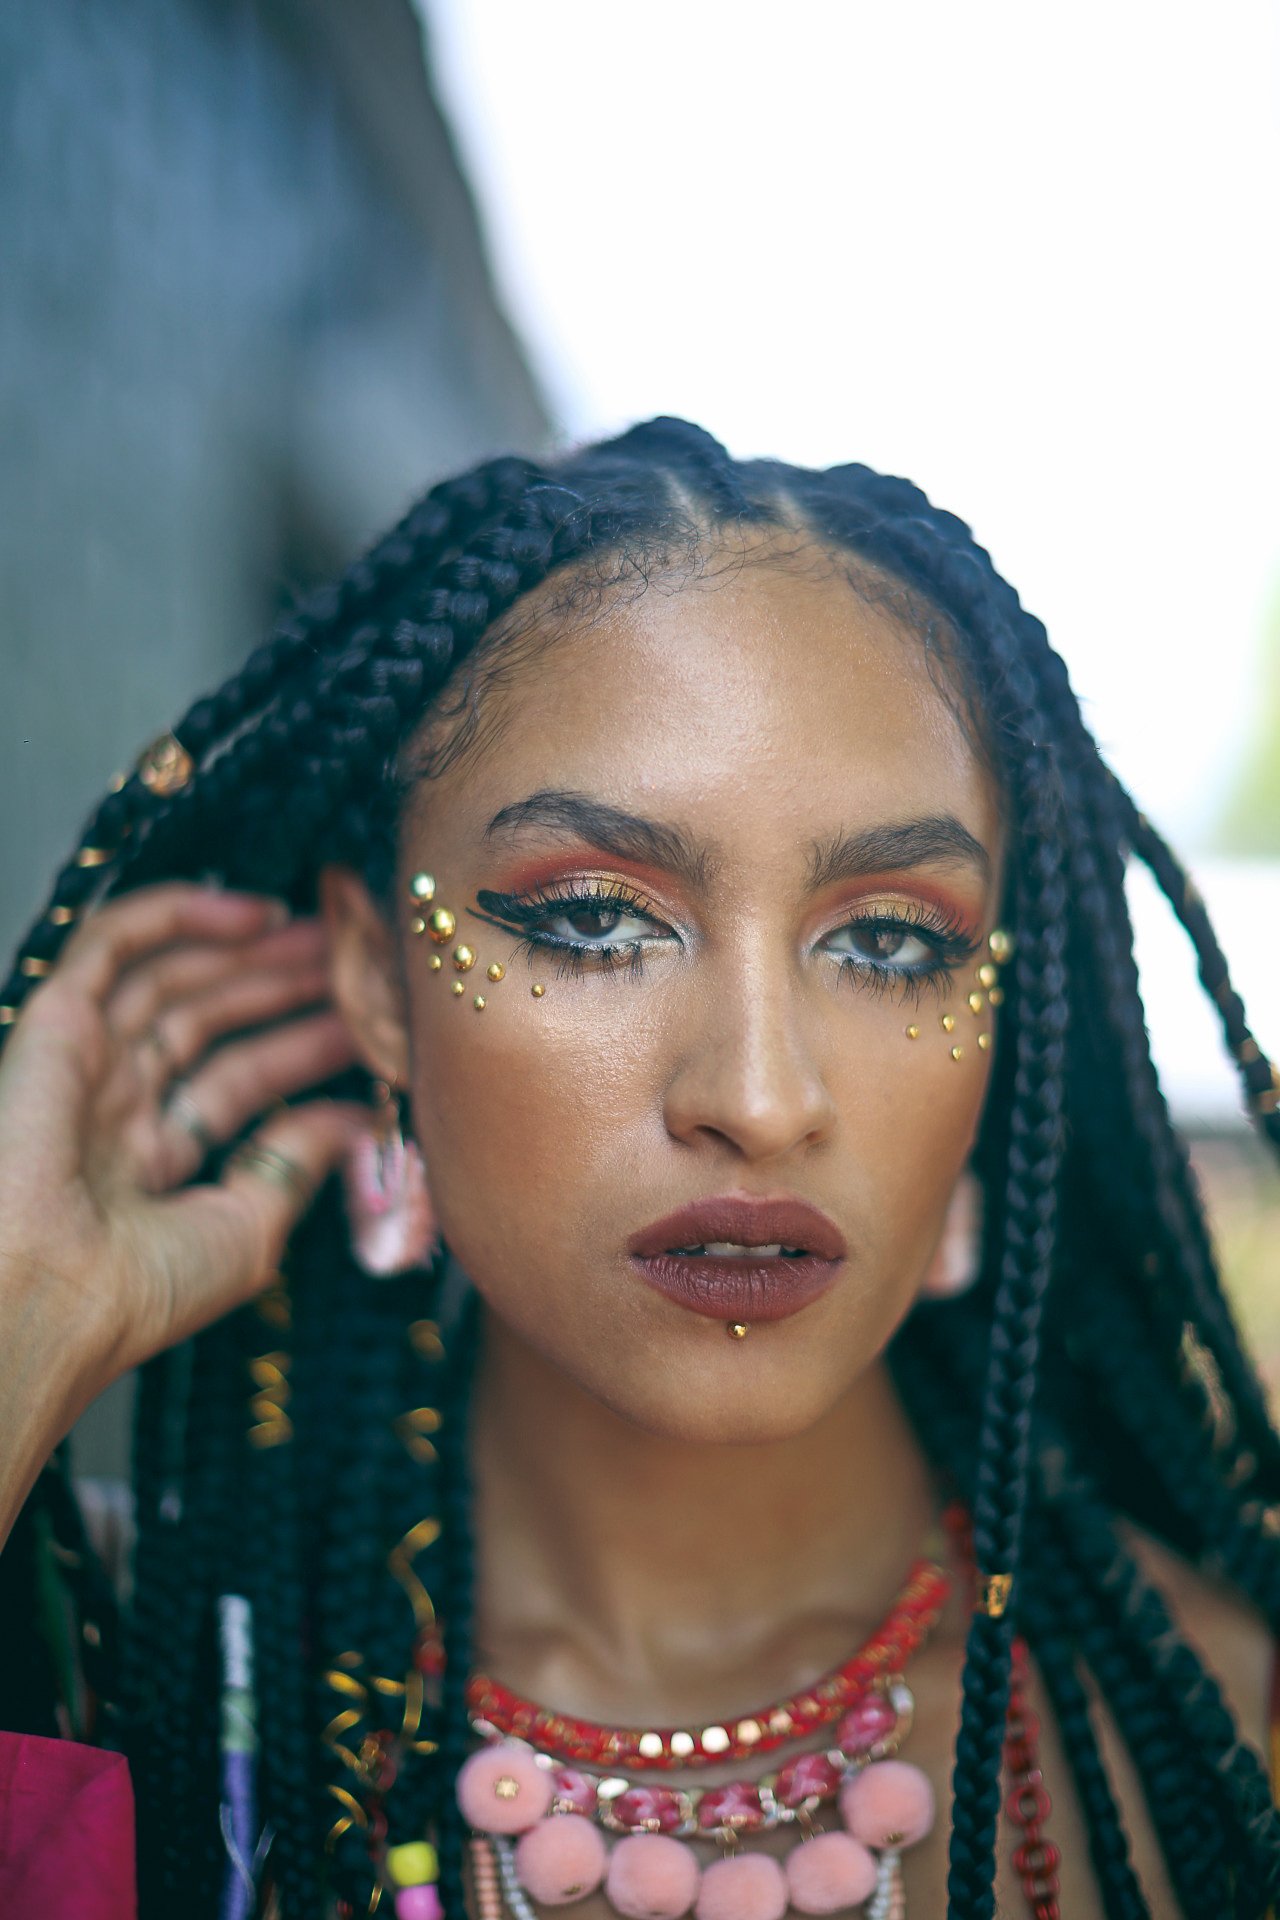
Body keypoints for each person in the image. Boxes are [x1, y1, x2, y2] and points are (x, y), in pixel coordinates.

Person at [0, 416, 1276, 1920]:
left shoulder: (1226, 1736)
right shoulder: (126, 1676)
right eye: (597, 916)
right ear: (372, 976)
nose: (758, 1096)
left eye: (888, 940)